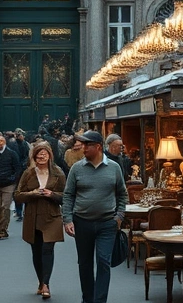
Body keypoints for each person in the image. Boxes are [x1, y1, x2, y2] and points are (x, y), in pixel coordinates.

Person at [62, 130, 128, 303]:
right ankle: (87, 298)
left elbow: (122, 193)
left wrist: (119, 215)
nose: (83, 148)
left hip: (107, 223)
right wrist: (67, 219)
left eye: (87, 145)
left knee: (103, 261)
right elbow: (68, 195)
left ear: (98, 147)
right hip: (82, 222)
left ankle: (100, 300)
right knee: (84, 263)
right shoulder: (77, 168)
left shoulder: (114, 167)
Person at [15, 143, 65, 300]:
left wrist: (52, 195)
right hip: (33, 216)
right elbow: (18, 196)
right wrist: (33, 193)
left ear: (50, 156)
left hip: (52, 217)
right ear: (34, 157)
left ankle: (46, 284)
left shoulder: (59, 174)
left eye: (44, 154)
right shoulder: (28, 173)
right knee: (36, 251)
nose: (41, 157)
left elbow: (65, 197)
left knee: (47, 249)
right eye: (38, 154)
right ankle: (41, 281)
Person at [0, 132, 21, 239]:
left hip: (8, 184)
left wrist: (13, 179)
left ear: (5, 142)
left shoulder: (12, 154)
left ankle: (3, 230)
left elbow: (17, 168)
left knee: (5, 207)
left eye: (1, 141)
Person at [12, 128, 31, 222]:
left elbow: (28, 156)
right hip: (18, 171)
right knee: (18, 192)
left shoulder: (25, 145)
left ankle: (23, 212)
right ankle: (19, 212)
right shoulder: (14, 145)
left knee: (24, 191)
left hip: (23, 170)